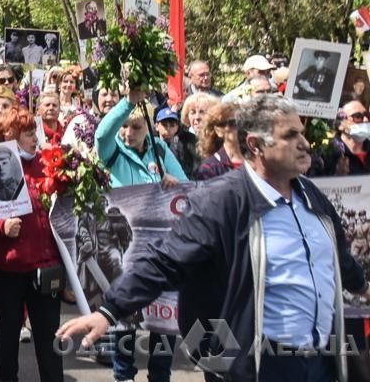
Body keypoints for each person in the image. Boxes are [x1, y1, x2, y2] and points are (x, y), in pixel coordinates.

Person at [60, 95, 370, 382]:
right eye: (290, 135)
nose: (304, 143)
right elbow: (165, 260)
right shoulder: (222, 200)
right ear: (256, 144)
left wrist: (362, 286)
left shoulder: (312, 195)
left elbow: (336, 254)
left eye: (301, 133)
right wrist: (110, 309)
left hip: (323, 362)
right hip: (259, 365)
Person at [0, 107, 65, 382]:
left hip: (46, 265)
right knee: (8, 331)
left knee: (49, 335)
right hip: (8, 267)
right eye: (29, 133)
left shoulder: (47, 164)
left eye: (36, 131)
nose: (36, 138)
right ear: (9, 135)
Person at [94, 87, 188, 382]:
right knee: (126, 316)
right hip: (126, 248)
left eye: (135, 126)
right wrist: (127, 104)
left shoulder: (160, 150)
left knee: (163, 315)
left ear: (148, 126)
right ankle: (124, 375)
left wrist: (174, 184)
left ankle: (160, 375)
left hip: (161, 247)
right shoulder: (113, 153)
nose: (128, 132)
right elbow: (101, 137)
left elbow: (186, 187)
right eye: (125, 126)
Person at [197, 100, 244, 179]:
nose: (239, 127)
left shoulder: (256, 158)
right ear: (218, 131)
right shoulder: (210, 168)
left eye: (241, 121)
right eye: (233, 123)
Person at [155, 107, 200, 180]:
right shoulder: (151, 145)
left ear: (176, 128)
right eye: (164, 125)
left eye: (172, 125)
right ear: (156, 126)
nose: (168, 128)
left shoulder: (185, 144)